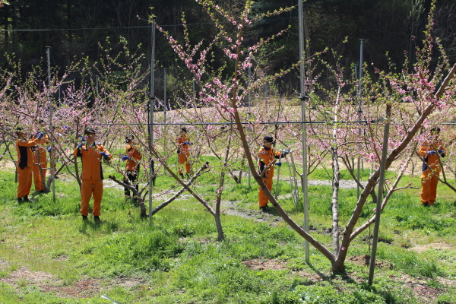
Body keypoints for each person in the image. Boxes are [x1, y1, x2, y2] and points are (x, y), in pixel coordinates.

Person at [74, 127, 112, 222]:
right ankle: (84, 215)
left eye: (91, 135)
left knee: (98, 197)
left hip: (97, 177)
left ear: (94, 136)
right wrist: (79, 146)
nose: (89, 137)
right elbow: (76, 154)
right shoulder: (83, 148)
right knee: (85, 198)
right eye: (87, 135)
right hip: (86, 177)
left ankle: (96, 215)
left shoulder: (99, 147)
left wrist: (105, 154)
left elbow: (109, 155)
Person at [257, 135, 288, 211]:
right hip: (264, 173)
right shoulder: (262, 151)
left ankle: (265, 203)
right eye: (270, 143)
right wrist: (275, 164)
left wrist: (284, 154)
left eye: (272, 143)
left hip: (270, 173)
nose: (271, 144)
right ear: (265, 142)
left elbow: (277, 155)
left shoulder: (271, 149)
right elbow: (266, 163)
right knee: (263, 189)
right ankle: (262, 205)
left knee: (268, 189)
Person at [418, 127, 445, 207]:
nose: (435, 134)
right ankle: (424, 202)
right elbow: (421, 152)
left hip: (436, 167)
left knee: (434, 185)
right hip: (427, 166)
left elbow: (443, 153)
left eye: (437, 133)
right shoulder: (426, 141)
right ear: (430, 132)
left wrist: (442, 152)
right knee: (426, 184)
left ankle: (431, 201)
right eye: (434, 132)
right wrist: (429, 152)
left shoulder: (439, 142)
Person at [15, 127, 42, 202]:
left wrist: (35, 137)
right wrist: (38, 138)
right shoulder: (20, 141)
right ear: (19, 133)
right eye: (23, 131)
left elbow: (31, 142)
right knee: (23, 182)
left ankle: (26, 196)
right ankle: (19, 197)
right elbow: (31, 143)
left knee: (29, 182)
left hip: (29, 164)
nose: (25, 133)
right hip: (23, 165)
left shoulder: (24, 140)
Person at [121, 134, 142, 201]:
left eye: (129, 139)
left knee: (134, 183)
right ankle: (127, 197)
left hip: (134, 168)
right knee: (125, 183)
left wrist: (129, 158)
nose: (128, 141)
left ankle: (135, 198)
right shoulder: (128, 147)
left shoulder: (137, 147)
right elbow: (126, 154)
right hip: (128, 168)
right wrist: (123, 156)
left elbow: (138, 159)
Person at [32, 121, 50, 193]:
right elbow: (32, 142)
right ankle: (38, 188)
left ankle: (42, 187)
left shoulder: (45, 135)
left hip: (43, 156)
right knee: (36, 173)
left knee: (43, 172)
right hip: (36, 156)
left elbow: (48, 142)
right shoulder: (35, 134)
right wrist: (38, 136)